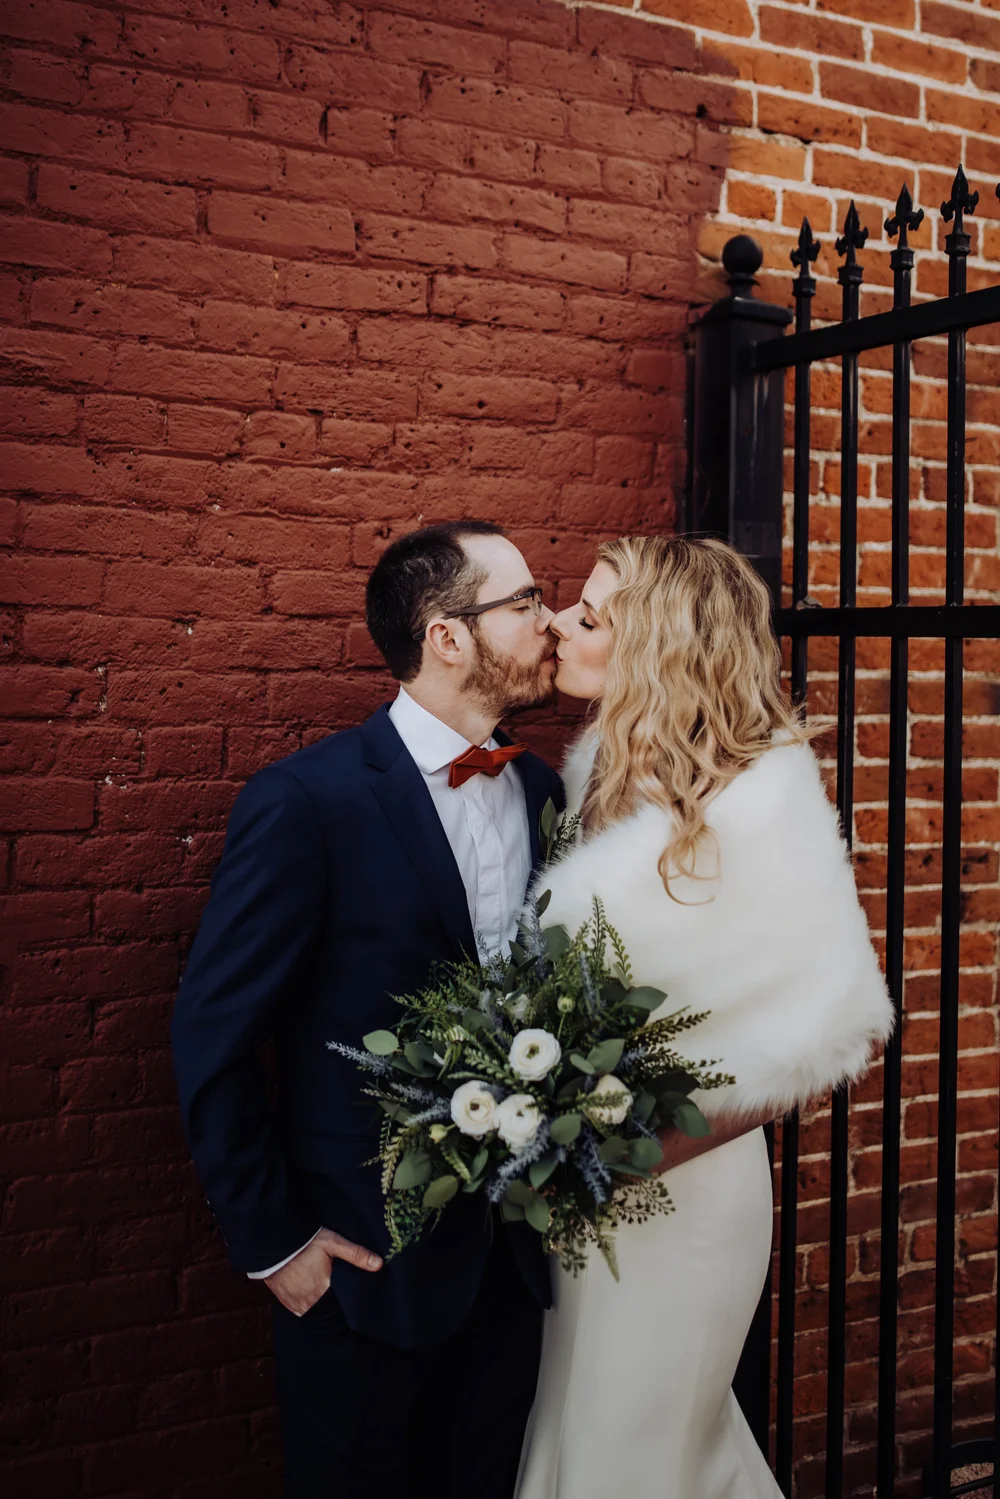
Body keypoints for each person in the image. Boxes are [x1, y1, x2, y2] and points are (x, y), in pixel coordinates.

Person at [170, 520, 565, 1499]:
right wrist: (277, 1247)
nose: (548, 618)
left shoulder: (545, 793)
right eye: (522, 601)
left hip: (510, 1275)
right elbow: (214, 1032)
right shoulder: (308, 800)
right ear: (447, 635)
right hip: (357, 1276)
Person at [515, 535, 894, 1499]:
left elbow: (835, 1022)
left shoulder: (753, 799)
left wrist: (632, 1152)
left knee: (627, 1456)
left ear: (653, 648)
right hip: (585, 1202)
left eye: (589, 616)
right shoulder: (594, 773)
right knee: (621, 1441)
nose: (557, 623)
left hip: (679, 1196)